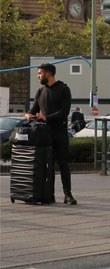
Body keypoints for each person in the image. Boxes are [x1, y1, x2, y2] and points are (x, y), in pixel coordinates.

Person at [26, 63, 77, 205]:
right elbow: (33, 110)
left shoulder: (63, 89)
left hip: (59, 132)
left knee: (63, 164)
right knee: (46, 165)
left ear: (48, 74)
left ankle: (68, 195)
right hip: (45, 134)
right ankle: (49, 195)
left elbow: (64, 112)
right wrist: (28, 116)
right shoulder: (40, 91)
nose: (38, 76)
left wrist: (46, 118)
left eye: (40, 73)